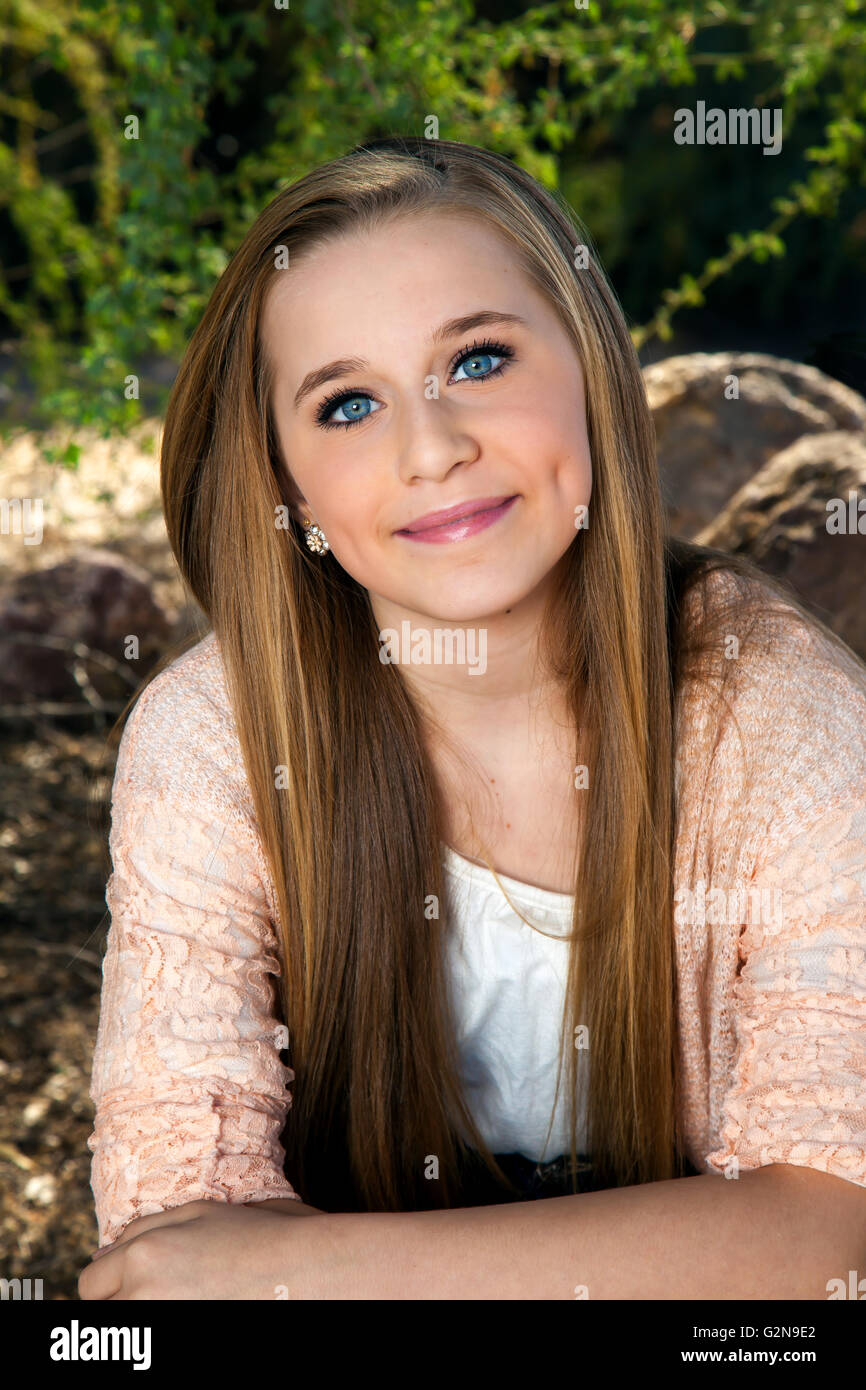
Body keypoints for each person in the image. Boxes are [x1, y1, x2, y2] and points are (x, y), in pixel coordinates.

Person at [79, 137, 866, 1300]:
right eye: (347, 403)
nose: (432, 448)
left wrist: (323, 1268)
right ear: (289, 486)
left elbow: (833, 1233)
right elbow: (170, 1239)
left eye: (479, 359)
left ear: (595, 373)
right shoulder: (215, 740)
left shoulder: (778, 714)